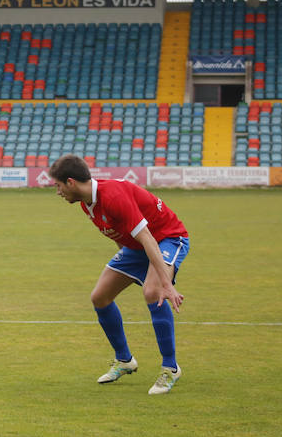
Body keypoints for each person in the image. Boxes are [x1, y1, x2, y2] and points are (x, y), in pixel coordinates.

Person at [48, 154, 189, 395]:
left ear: (71, 182)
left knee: (153, 292)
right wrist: (127, 268)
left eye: (58, 186)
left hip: (167, 238)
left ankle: (170, 368)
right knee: (100, 297)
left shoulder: (113, 196)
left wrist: (166, 282)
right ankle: (125, 360)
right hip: (136, 248)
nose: (58, 192)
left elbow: (147, 237)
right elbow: (122, 236)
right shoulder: (86, 203)